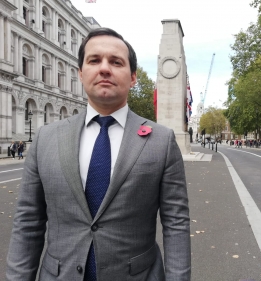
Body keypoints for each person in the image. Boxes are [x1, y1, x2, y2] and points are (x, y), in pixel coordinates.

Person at [7, 28, 191, 281]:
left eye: (116, 62)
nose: (105, 68)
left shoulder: (162, 140)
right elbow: (28, 222)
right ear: (81, 74)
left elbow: (176, 224)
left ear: (133, 77)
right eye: (94, 60)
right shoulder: (45, 138)